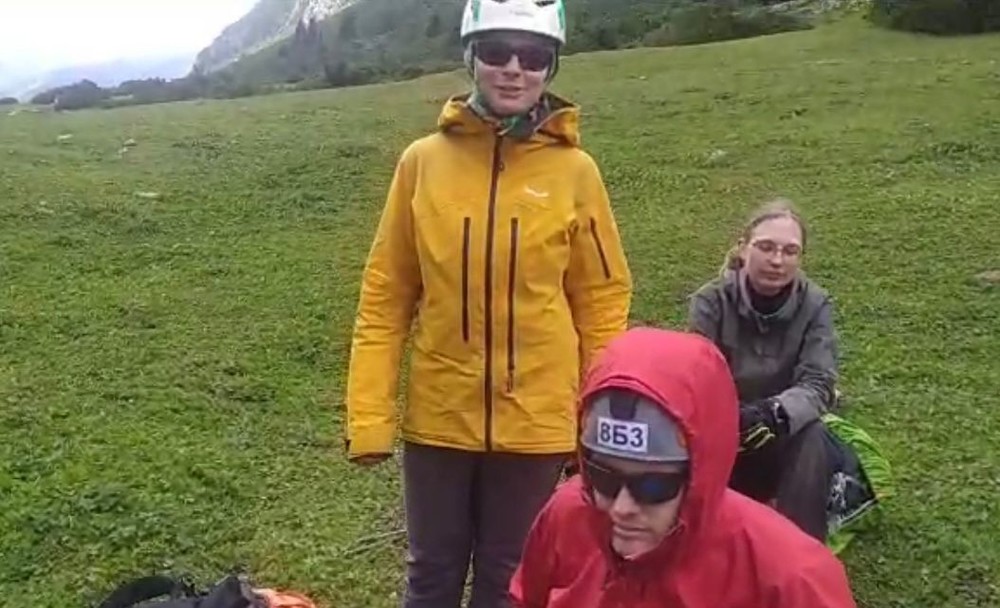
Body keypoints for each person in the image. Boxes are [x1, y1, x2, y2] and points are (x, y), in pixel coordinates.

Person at [342, 0, 633, 606]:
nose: (514, 69)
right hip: (439, 418)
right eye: (497, 51)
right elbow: (386, 295)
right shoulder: (422, 163)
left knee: (510, 581)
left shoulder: (577, 172)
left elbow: (602, 302)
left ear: (551, 68)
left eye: (534, 56)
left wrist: (598, 420)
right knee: (431, 574)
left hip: (539, 425)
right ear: (471, 58)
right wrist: (369, 419)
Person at [509, 327, 859, 607]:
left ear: (701, 473)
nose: (622, 508)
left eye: (653, 486)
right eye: (603, 477)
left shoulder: (792, 580)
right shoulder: (568, 516)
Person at [686, 199, 892, 547]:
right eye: (766, 247)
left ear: (800, 257)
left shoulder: (816, 304)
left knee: (813, 435)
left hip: (785, 433)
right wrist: (731, 419)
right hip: (723, 432)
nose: (777, 260)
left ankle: (800, 552)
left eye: (790, 251)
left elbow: (819, 383)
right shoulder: (710, 302)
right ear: (743, 248)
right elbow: (696, 377)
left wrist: (775, 413)